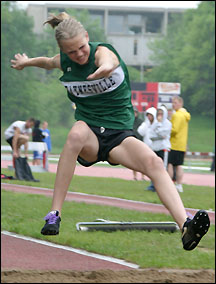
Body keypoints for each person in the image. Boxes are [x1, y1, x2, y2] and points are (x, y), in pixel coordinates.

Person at [10, 12, 210, 251]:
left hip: (119, 136)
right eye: (71, 52)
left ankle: (186, 227)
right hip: (90, 136)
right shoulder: (65, 61)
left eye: (82, 48)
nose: (79, 55)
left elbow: (110, 60)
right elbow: (46, 61)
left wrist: (104, 69)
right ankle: (54, 213)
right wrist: (26, 62)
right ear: (64, 51)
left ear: (87, 37)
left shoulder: (101, 52)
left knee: (154, 163)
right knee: (75, 133)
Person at [146, 106, 172, 192]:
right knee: (153, 166)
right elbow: (151, 135)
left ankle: (163, 187)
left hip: (163, 148)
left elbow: (164, 134)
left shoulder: (168, 123)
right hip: (155, 147)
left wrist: (159, 127)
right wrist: (159, 133)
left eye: (161, 113)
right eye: (158, 114)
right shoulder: (154, 123)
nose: (159, 115)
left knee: (162, 167)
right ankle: (153, 185)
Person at [167, 96, 191, 193]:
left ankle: (170, 184)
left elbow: (174, 130)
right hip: (181, 144)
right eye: (173, 102)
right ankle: (179, 185)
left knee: (170, 164)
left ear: (180, 103)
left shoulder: (177, 115)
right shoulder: (185, 115)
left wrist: (166, 131)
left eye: (175, 102)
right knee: (179, 165)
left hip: (174, 143)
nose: (173, 104)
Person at [132, 106, 145, 181]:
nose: (134, 114)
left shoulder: (140, 122)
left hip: (140, 142)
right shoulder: (129, 121)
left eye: (135, 112)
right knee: (134, 161)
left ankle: (142, 176)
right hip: (133, 142)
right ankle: (135, 176)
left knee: (141, 160)